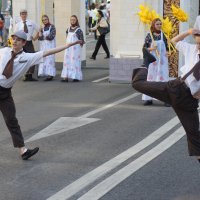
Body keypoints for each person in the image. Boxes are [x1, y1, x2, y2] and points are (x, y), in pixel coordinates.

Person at [0, 30, 82, 160]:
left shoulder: (28, 57)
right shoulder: (3, 51)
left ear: (24, 43)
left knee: (11, 121)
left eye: (18, 40)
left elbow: (49, 52)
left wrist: (69, 45)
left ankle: (23, 151)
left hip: (5, 93)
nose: (14, 41)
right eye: (13, 39)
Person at [132, 28, 200, 162]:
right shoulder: (191, 49)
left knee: (195, 137)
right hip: (176, 87)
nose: (198, 46)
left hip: (189, 101)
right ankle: (146, 61)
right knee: (137, 83)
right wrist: (188, 32)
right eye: (198, 43)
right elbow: (174, 41)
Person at [142, 18, 169, 106]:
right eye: (157, 24)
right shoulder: (149, 35)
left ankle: (165, 99)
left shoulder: (164, 34)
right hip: (153, 61)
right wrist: (151, 48)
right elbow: (144, 48)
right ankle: (148, 99)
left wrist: (168, 52)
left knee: (163, 79)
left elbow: (167, 46)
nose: (159, 26)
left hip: (162, 61)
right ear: (153, 25)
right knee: (151, 79)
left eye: (160, 24)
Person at [15, 9, 39, 81]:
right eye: (22, 14)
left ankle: (30, 75)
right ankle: (25, 74)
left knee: (33, 57)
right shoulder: (18, 24)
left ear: (26, 14)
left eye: (25, 14)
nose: (24, 15)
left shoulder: (31, 22)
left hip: (28, 42)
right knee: (22, 58)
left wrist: (35, 38)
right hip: (21, 43)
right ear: (20, 15)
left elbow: (39, 30)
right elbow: (15, 35)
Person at [61, 15, 85, 82]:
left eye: (74, 20)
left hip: (75, 50)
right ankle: (66, 77)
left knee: (75, 62)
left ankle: (75, 77)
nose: (72, 21)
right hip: (68, 49)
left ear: (76, 20)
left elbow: (82, 41)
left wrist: (78, 48)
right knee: (67, 62)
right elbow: (67, 38)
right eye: (71, 20)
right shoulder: (68, 29)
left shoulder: (79, 30)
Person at [38, 15, 56, 81]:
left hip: (50, 46)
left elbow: (51, 36)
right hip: (43, 46)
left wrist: (44, 37)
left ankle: (50, 74)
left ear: (48, 19)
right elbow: (39, 38)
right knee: (44, 59)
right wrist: (40, 32)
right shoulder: (42, 28)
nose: (44, 21)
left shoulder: (52, 26)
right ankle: (45, 73)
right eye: (43, 20)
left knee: (50, 59)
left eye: (45, 19)